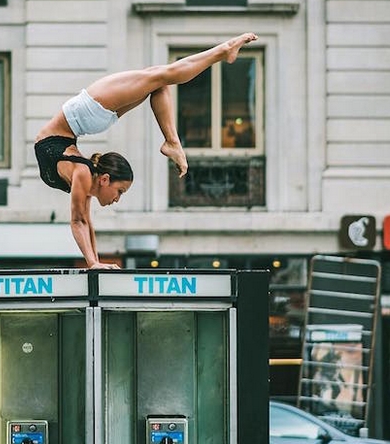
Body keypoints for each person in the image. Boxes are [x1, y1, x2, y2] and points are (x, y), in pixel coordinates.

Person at [34, 33, 259, 268]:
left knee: (161, 78)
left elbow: (84, 222)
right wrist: (93, 264)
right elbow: (80, 220)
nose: (117, 198)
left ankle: (174, 139)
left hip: (86, 114)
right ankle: (220, 54)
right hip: (85, 114)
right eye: (120, 191)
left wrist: (95, 264)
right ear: (104, 179)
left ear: (103, 178)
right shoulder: (82, 173)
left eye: (120, 193)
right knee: (160, 76)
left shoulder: (83, 175)